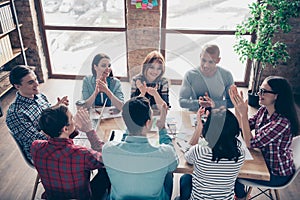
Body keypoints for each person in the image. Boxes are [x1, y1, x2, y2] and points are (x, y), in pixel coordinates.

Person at [229, 76, 299, 200]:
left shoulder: (282, 123)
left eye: (264, 91)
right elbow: (244, 128)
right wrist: (238, 109)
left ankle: (240, 196)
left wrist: (244, 114)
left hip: (275, 173)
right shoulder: (263, 111)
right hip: (262, 159)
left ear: (277, 96)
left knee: (231, 171)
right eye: (260, 90)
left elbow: (250, 143)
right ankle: (241, 195)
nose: (259, 94)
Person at [102, 95, 178, 200]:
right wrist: (162, 129)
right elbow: (174, 164)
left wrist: (131, 122)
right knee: (168, 174)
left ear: (125, 121)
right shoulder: (165, 153)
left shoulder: (108, 150)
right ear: (148, 123)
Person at [31, 104, 111, 200]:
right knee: (106, 172)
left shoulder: (36, 147)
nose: (74, 120)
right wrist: (89, 131)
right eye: (72, 118)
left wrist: (72, 131)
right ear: (65, 129)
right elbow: (106, 160)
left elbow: (59, 143)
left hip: (52, 197)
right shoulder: (83, 154)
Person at [6, 65, 69, 162]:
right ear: (17, 86)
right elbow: (37, 140)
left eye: (35, 79)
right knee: (81, 156)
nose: (37, 84)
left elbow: (46, 114)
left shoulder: (40, 96)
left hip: (56, 137)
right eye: (31, 82)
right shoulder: (15, 114)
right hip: (41, 153)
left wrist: (57, 106)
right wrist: (64, 134)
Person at [178, 107, 245, 200]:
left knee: (185, 178)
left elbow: (187, 157)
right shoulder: (240, 153)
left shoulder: (200, 150)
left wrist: (199, 128)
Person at [179, 44, 234, 111]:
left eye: (211, 62)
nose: (206, 65)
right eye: (203, 60)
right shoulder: (190, 75)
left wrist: (214, 104)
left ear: (218, 60)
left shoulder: (226, 75)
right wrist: (198, 103)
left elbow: (232, 102)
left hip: (216, 114)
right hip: (194, 114)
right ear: (200, 56)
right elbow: (181, 101)